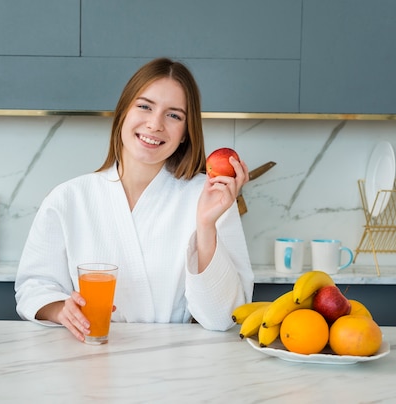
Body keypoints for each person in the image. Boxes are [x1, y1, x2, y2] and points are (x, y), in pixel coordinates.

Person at [15, 57, 253, 342]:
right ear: (123, 112)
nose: (155, 124)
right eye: (144, 106)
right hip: (90, 362)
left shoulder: (210, 198)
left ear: (186, 134)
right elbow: (34, 285)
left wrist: (205, 226)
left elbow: (224, 318)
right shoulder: (68, 198)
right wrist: (59, 310)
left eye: (174, 115)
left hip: (177, 369)